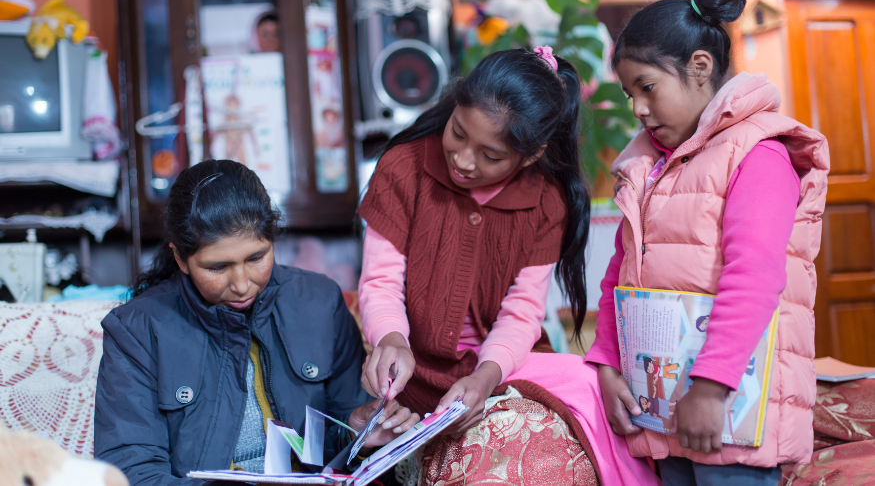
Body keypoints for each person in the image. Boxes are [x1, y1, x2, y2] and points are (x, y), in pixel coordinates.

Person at [357, 47, 659, 485]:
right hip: (414, 377)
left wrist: (484, 379)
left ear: (532, 154)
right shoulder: (403, 169)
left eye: (490, 156)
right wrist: (391, 341)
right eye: (457, 132)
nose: (463, 159)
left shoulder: (545, 202)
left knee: (589, 386)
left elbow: (521, 313)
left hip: (500, 370)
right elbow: (380, 281)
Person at [585, 0, 829, 484]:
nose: (638, 108)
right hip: (667, 410)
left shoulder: (759, 155)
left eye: (647, 87)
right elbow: (621, 273)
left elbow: (754, 277)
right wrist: (607, 360)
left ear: (700, 67)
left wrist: (712, 387)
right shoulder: (651, 168)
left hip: (732, 414)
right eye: (630, 93)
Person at [94, 160, 419, 485]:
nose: (241, 284)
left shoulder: (319, 302)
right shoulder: (136, 330)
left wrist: (355, 432)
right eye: (217, 268)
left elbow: (335, 438)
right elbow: (131, 470)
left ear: (273, 239)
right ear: (180, 258)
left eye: (256, 258)